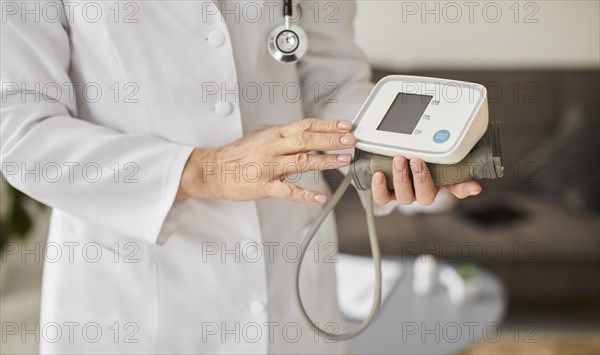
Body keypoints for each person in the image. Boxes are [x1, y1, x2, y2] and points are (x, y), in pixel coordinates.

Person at [0, 0, 481, 353]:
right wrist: (204, 170)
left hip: (286, 255)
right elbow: (21, 133)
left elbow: (331, 81)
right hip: (133, 284)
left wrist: (397, 151)